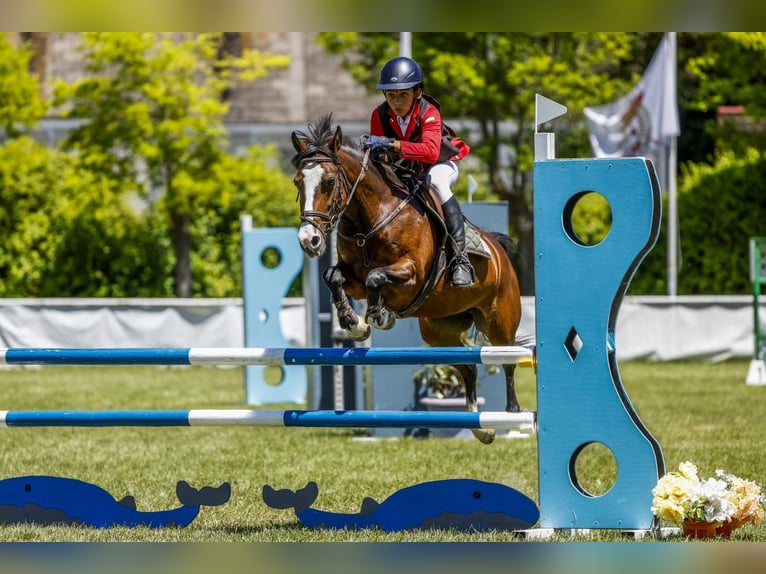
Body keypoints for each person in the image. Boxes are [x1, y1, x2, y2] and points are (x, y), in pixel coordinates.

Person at [363, 56, 475, 288]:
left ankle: (460, 259)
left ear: (418, 92)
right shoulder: (379, 115)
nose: (396, 101)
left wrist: (393, 146)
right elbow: (379, 158)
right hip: (407, 167)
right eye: (391, 95)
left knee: (438, 183)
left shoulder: (429, 112)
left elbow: (431, 152)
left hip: (441, 163)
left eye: (403, 94)